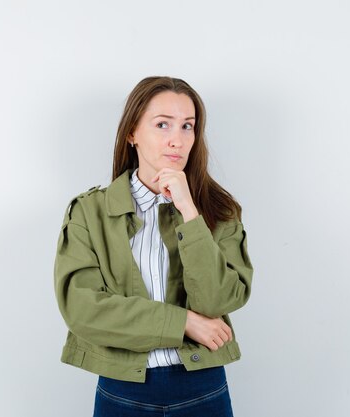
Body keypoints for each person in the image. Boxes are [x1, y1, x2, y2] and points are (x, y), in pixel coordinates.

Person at [54, 76, 254, 417]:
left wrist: (190, 212)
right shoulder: (89, 212)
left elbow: (219, 300)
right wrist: (184, 322)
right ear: (132, 133)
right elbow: (83, 309)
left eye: (187, 126)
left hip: (202, 389)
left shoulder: (219, 212)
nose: (177, 140)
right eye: (162, 124)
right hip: (123, 391)